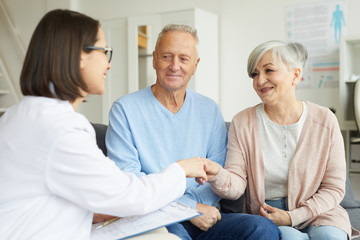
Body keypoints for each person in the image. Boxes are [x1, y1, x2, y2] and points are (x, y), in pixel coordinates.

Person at [0, 9, 211, 240]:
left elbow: (48, 196)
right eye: (105, 52)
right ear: (80, 56)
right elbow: (131, 196)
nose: (108, 65)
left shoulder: (16, 115)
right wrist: (181, 169)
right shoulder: (61, 128)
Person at [106, 24, 281, 240]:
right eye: (167, 57)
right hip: (159, 216)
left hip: (209, 217)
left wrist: (200, 210)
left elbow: (217, 174)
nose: (174, 66)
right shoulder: (124, 110)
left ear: (195, 65)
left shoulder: (209, 110)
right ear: (154, 59)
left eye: (184, 59)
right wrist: (189, 208)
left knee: (262, 229)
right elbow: (130, 181)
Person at [205, 40, 360, 239]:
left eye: (269, 70)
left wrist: (294, 216)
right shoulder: (242, 122)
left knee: (330, 237)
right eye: (254, 74)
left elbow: (334, 187)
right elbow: (236, 184)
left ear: (295, 75)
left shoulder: (325, 119)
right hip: (269, 214)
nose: (260, 80)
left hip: (320, 210)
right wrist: (217, 174)